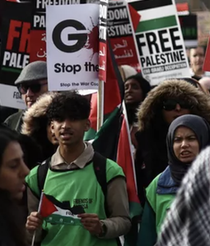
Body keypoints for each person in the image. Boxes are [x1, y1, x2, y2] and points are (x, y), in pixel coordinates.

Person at [25, 92, 131, 245]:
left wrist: (101, 227)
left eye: (73, 119)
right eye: (59, 119)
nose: (65, 126)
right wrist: (31, 228)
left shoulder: (109, 171)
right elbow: (33, 236)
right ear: (52, 126)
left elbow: (124, 221)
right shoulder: (36, 176)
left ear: (87, 125)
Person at [136, 79, 210, 204]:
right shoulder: (145, 142)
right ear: (159, 109)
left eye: (184, 103)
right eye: (170, 104)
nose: (178, 108)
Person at [140, 115, 210, 246]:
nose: (184, 145)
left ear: (203, 139)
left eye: (191, 138)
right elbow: (147, 236)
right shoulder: (159, 185)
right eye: (177, 140)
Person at [3, 62, 48, 132]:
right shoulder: (12, 122)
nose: (29, 94)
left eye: (35, 87)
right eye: (24, 88)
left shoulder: (62, 121)